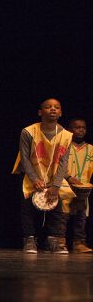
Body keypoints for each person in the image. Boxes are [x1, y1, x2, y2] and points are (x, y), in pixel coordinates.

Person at [13, 99, 72, 253]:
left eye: (56, 107)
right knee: (27, 208)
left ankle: (53, 240)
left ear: (60, 113)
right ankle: (30, 239)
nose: (52, 109)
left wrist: (56, 185)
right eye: (48, 107)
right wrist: (34, 179)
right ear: (40, 112)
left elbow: (63, 162)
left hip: (54, 177)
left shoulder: (66, 136)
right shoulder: (28, 132)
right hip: (32, 175)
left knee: (56, 207)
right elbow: (24, 158)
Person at [66, 118, 93, 253]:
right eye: (77, 127)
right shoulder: (65, 146)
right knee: (62, 215)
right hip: (65, 184)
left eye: (83, 128)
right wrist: (68, 177)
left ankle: (79, 242)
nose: (81, 130)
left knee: (80, 215)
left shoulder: (90, 149)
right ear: (69, 130)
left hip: (83, 187)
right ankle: (59, 241)